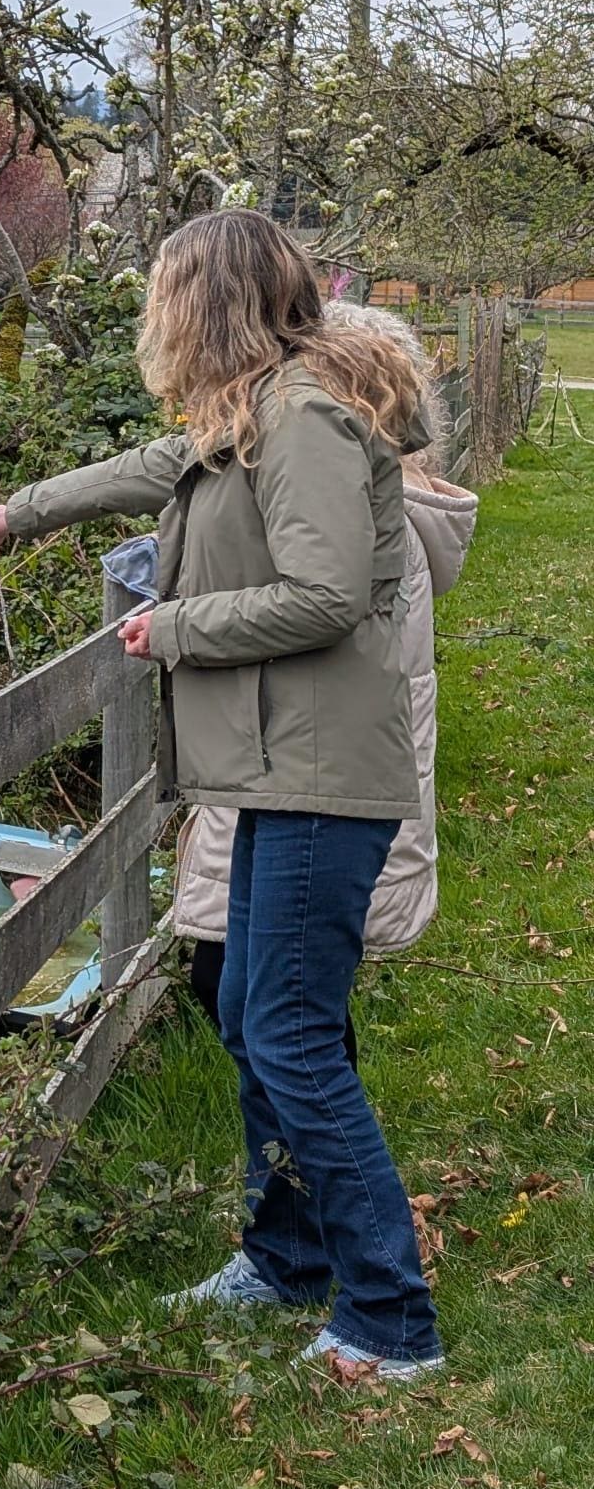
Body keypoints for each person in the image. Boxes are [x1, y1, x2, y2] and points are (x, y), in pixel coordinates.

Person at [0, 212, 445, 1382]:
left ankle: (390, 1318)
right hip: (278, 770)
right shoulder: (248, 413)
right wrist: (16, 514)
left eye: (165, 294)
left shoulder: (304, 419)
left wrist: (170, 628)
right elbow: (147, 469)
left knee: (290, 1034)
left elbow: (323, 595)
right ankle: (290, 1262)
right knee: (253, 1019)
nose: (151, 319)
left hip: (322, 776)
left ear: (208, 304)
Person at [177, 303, 478, 1060]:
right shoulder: (347, 504)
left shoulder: (356, 522)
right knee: (269, 1001)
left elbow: (308, 618)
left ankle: (322, 1172)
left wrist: (182, 621)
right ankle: (289, 1170)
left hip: (305, 782)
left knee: (280, 1014)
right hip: (288, 773)